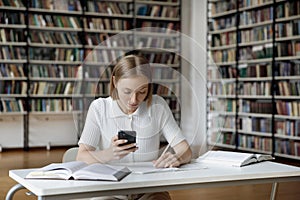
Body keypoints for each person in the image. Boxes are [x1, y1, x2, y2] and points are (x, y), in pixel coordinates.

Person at [76, 54, 192, 200]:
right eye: (127, 92)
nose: (134, 100)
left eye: (142, 92)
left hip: (149, 189)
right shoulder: (99, 108)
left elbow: (185, 149)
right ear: (115, 82)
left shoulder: (158, 106)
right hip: (109, 190)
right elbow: (81, 156)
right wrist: (110, 154)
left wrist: (177, 158)